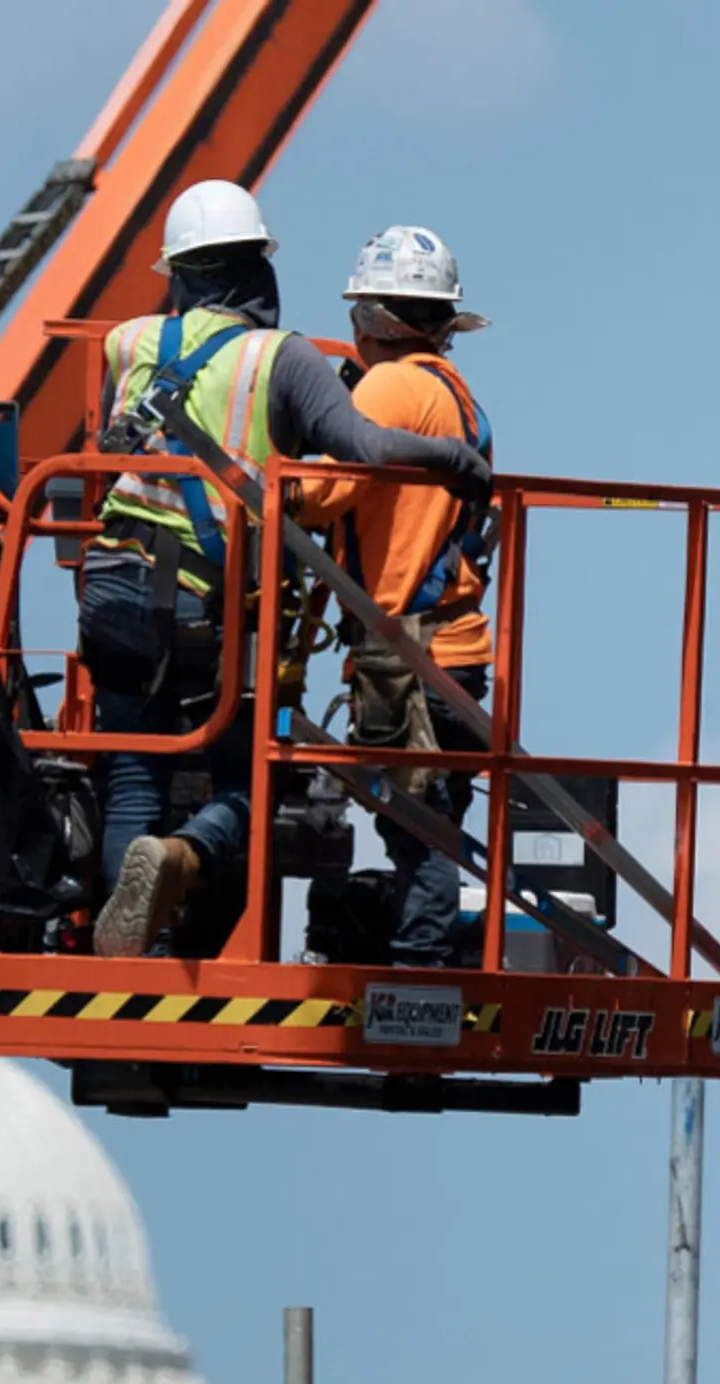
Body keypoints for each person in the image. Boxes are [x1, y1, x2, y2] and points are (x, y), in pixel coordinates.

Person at [81, 182, 492, 959]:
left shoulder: (124, 342)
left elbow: (106, 449)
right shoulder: (288, 358)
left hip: (115, 586)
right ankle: (185, 855)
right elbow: (356, 458)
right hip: (216, 606)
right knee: (252, 778)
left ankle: (129, 962)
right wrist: (451, 462)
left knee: (132, 778)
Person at [296, 224, 496, 965]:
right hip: (460, 649)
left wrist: (265, 471)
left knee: (416, 828)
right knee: (431, 822)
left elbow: (316, 495)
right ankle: (424, 960)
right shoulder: (455, 394)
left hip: (410, 654)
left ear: (371, 320)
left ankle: (420, 973)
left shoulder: (387, 387)